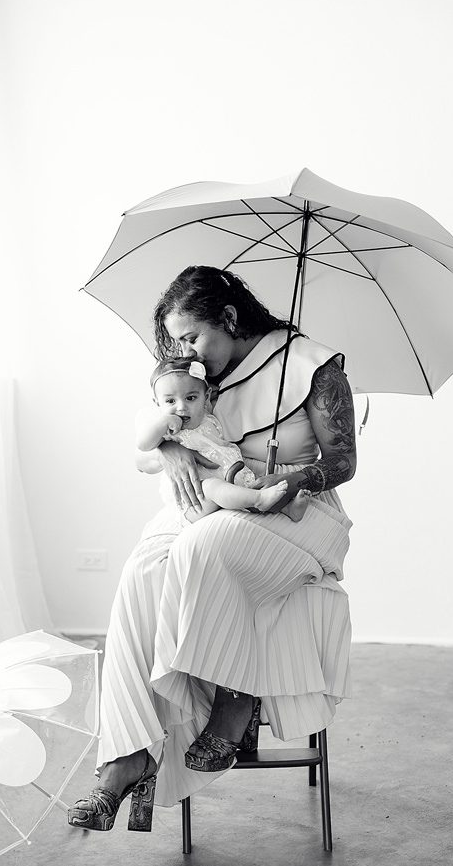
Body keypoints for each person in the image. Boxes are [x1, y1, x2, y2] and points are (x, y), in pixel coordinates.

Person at [68, 265, 355, 831]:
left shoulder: (315, 367)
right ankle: (127, 755)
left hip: (303, 510)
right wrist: (172, 451)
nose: (186, 351)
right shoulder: (198, 379)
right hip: (218, 497)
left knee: (205, 545)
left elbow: (344, 462)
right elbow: (153, 439)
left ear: (228, 317)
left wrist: (290, 482)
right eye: (178, 341)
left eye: (193, 337)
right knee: (143, 568)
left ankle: (236, 700)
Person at [139, 357, 308, 523]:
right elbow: (143, 445)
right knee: (214, 487)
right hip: (194, 499)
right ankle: (258, 499)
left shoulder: (207, 417)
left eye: (190, 398)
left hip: (229, 478)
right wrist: (163, 422)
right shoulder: (167, 429)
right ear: (158, 404)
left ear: (206, 398)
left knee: (252, 484)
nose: (181, 407)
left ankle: (287, 509)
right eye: (170, 401)